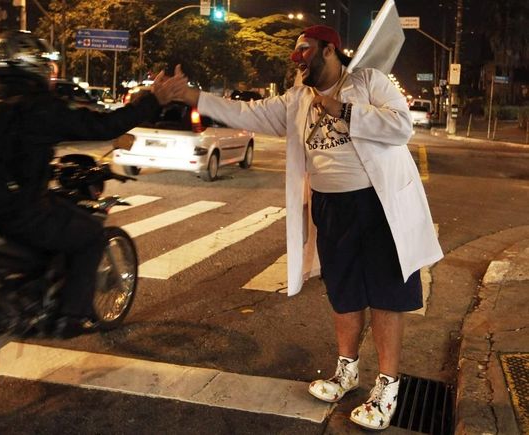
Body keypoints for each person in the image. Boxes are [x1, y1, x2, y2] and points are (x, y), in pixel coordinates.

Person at [172, 25, 443, 430]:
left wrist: (345, 111)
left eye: (304, 49)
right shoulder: (298, 98)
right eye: (295, 52)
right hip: (331, 206)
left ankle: (387, 386)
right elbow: (249, 112)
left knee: (386, 293)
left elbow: (402, 127)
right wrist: (192, 95)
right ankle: (346, 371)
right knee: (343, 291)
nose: (297, 59)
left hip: (378, 203)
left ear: (329, 50)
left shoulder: (368, 81)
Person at [0, 30, 186, 338]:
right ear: (34, 64)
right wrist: (153, 100)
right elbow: (103, 125)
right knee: (91, 235)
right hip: (16, 212)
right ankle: (70, 317)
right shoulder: (36, 105)